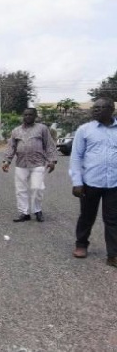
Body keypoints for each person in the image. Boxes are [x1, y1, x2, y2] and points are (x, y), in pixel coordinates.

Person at [69, 97, 117, 266]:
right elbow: (76, 157)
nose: (94, 110)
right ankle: (81, 244)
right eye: (94, 108)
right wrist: (77, 181)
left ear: (111, 109)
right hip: (90, 182)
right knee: (87, 216)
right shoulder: (85, 130)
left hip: (114, 184)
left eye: (99, 108)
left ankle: (113, 255)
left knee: (113, 219)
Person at [2, 108, 57, 222]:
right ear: (23, 116)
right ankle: (24, 213)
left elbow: (49, 145)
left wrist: (52, 161)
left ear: (35, 116)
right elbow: (11, 146)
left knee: (37, 187)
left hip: (38, 163)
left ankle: (37, 210)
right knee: (20, 190)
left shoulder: (42, 128)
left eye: (30, 115)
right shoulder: (16, 130)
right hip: (21, 164)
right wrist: (7, 161)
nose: (27, 117)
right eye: (25, 114)